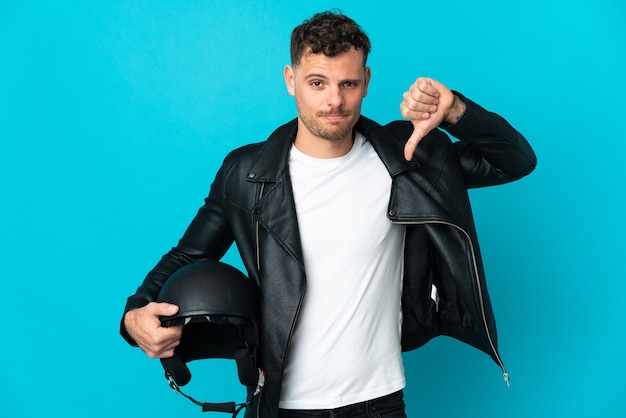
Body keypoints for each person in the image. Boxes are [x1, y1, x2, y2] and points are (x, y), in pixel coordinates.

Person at [121, 10, 537, 418]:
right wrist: (135, 313)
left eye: (348, 83)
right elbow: (189, 255)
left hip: (380, 402)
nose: (334, 100)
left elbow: (515, 161)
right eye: (317, 83)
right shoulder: (245, 174)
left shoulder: (409, 157)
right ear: (291, 81)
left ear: (366, 83)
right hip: (281, 404)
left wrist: (456, 112)